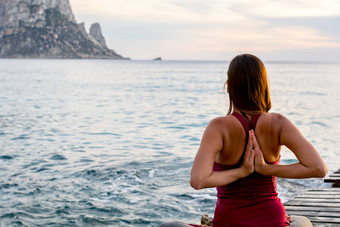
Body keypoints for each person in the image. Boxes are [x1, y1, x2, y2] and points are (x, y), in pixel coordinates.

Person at [188, 54, 328, 226]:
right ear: (263, 86)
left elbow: (198, 180)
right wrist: (265, 169)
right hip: (273, 219)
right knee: (302, 222)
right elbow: (318, 168)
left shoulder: (218, 127)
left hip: (230, 221)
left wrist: (242, 171)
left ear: (229, 86)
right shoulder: (279, 123)